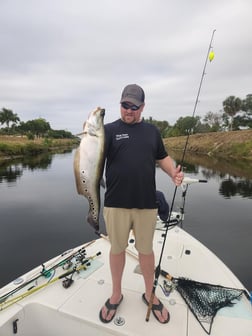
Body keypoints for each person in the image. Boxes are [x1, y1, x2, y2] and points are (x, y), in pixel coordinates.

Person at [99, 84, 184, 324]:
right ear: (121, 104)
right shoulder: (108, 131)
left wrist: (172, 173)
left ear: (142, 107)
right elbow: (92, 153)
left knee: (146, 252)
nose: (128, 110)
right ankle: (116, 294)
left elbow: (163, 157)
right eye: (125, 105)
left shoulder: (152, 132)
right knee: (117, 250)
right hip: (116, 203)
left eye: (134, 107)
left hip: (146, 204)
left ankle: (150, 293)